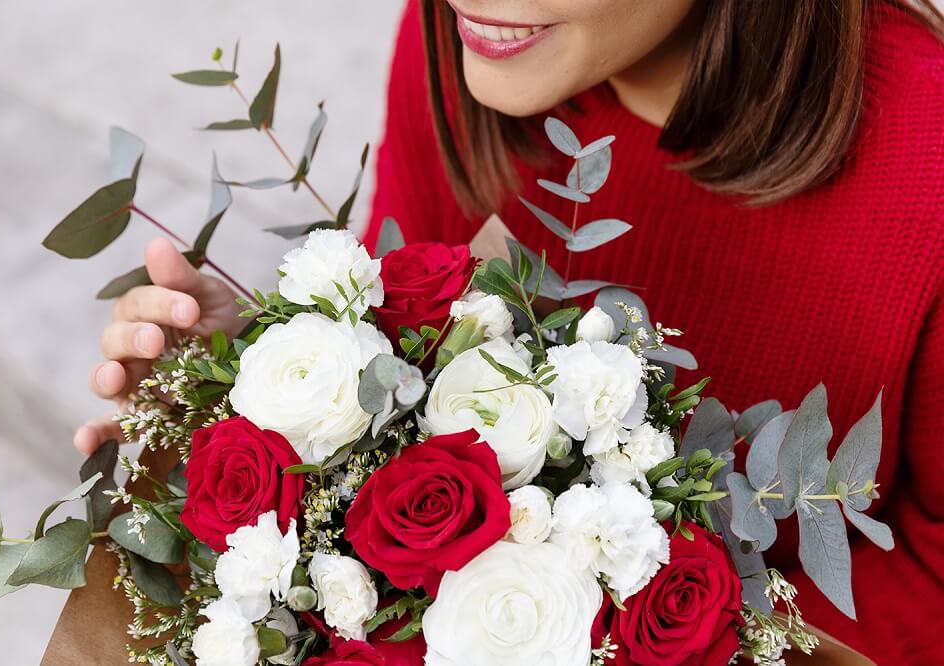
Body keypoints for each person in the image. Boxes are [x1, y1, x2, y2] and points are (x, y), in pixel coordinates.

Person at [75, 1, 944, 662]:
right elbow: (413, 328)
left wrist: (649, 623)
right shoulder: (469, 39)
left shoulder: (926, 156)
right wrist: (264, 383)